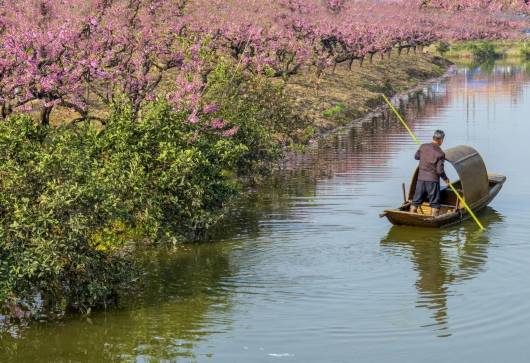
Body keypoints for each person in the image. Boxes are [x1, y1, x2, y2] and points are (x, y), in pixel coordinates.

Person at [410, 130, 449, 216]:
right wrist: (445, 179)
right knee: (435, 204)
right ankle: (433, 220)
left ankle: (411, 216)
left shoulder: (423, 147)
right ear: (441, 140)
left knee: (415, 201)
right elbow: (440, 171)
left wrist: (423, 153)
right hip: (433, 182)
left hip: (421, 180)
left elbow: (416, 157)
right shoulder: (440, 153)